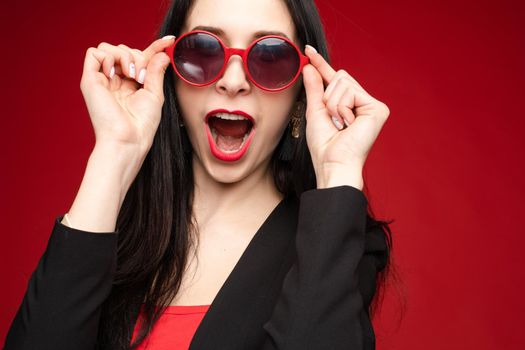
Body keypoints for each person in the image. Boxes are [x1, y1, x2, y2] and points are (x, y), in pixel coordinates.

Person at [4, 0, 393, 349]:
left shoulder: (336, 245)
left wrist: (338, 171)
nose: (233, 81)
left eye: (271, 57)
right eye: (204, 50)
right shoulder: (113, 226)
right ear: (171, 75)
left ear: (300, 97)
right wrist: (115, 152)